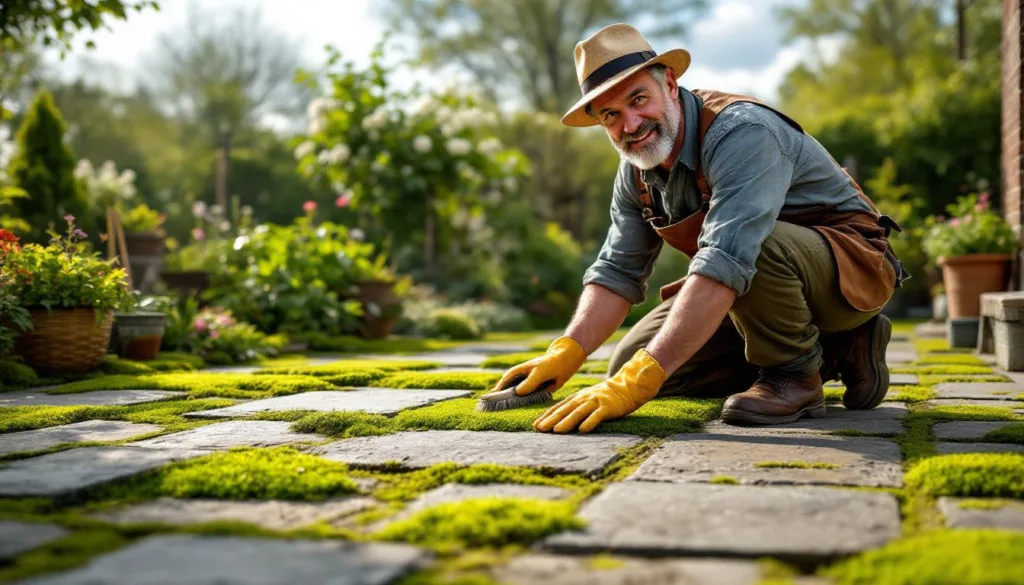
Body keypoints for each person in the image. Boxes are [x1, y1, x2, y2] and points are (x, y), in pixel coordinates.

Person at [491, 23, 909, 434]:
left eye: (639, 99)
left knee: (747, 247)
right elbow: (618, 270)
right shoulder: (636, 169)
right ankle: (837, 351)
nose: (631, 125)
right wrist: (567, 351)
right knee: (634, 362)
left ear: (670, 84)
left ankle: (795, 376)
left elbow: (726, 258)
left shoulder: (742, 132)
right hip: (752, 287)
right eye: (612, 115)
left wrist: (640, 382)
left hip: (849, 273)